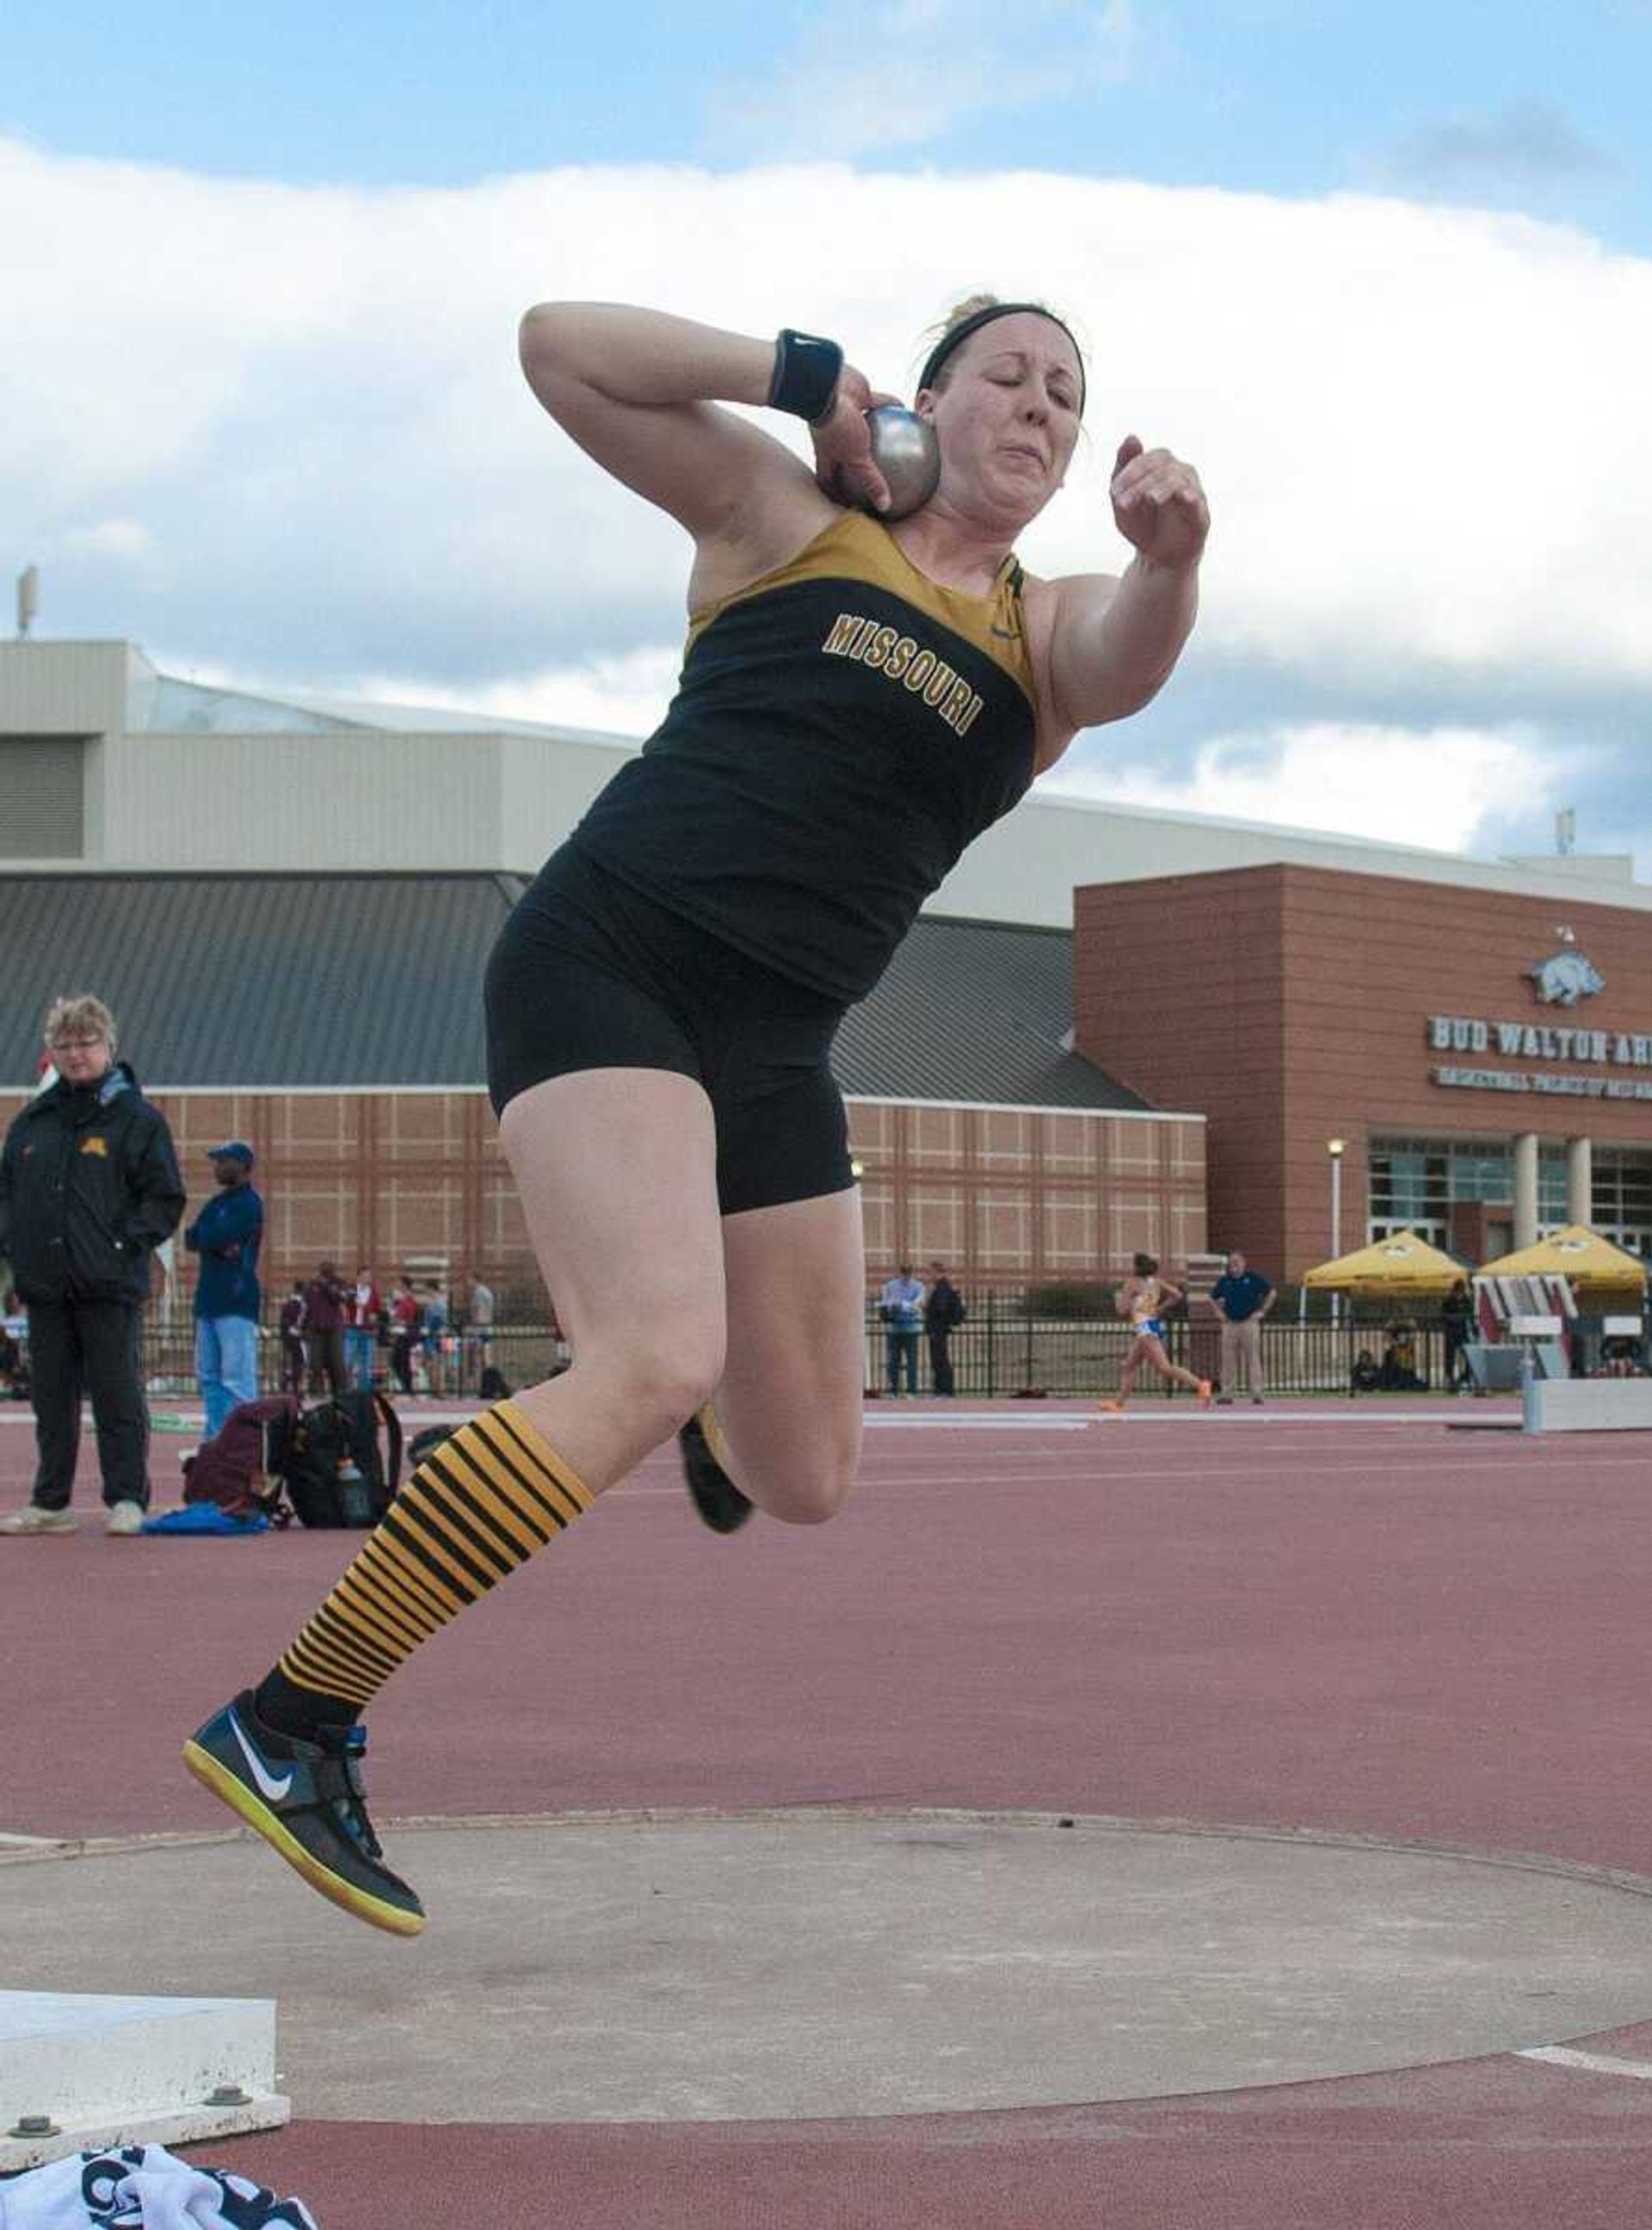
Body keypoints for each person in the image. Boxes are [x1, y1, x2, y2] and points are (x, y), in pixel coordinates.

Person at [183, 292, 1208, 1935]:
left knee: (801, 1473)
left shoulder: (1046, 631)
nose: (1038, 408)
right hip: (615, 967)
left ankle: (697, 1408)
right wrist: (798, 376)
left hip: (778, 1048)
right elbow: (552, 346)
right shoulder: (785, 516)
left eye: (1069, 399)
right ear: (925, 400)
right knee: (652, 1360)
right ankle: (291, 1716)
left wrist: (1172, 558)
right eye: (1005, 376)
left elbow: (1129, 657)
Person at [0, 995, 184, 1537]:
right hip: (46, 1286)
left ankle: (127, 1497)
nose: (76, 1054)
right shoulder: (33, 1121)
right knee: (50, 1399)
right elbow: (6, 1190)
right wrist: (15, 1249)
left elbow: (164, 1197)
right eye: (65, 1044)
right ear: (51, 1051)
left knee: (116, 1392)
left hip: (108, 1284)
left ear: (109, 1046)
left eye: (86, 1043)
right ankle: (50, 1501)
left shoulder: (137, 1119)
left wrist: (125, 1247)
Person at [184, 1142, 265, 1440]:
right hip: (208, 1300)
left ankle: (244, 1442)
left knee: (237, 1379)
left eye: (224, 1161)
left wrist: (214, 1239)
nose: (217, 1168)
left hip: (236, 1299)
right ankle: (216, 1440)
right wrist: (214, 1242)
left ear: (243, 1166)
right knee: (209, 1378)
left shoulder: (249, 1203)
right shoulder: (216, 1204)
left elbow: (217, 1235)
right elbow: (193, 1238)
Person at [1099, 1253, 1211, 1413]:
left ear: (1136, 1267)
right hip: (1151, 1324)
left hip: (1144, 1327)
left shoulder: (1131, 1284)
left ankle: (1201, 1385)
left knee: (1164, 1368)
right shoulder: (1156, 1282)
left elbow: (1122, 1310)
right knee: (1129, 1366)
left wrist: (1118, 1299)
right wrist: (1160, 1309)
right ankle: (1118, 1404)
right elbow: (1178, 1295)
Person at [1207, 1248, 1273, 1406]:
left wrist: (1262, 1311)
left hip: (1249, 1323)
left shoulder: (1253, 1278)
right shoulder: (1224, 1281)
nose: (1233, 1266)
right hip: (1230, 1324)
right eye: (1231, 1263)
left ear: (1243, 1263)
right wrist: (1218, 1312)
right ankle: (1226, 1394)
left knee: (1253, 1358)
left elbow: (1271, 1293)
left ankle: (1257, 1394)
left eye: (1236, 1262)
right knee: (1228, 1360)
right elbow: (1212, 1297)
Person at [300, 1261, 348, 1398]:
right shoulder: (311, 1286)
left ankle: (340, 1391)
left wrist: (326, 1285)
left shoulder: (339, 1283)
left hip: (334, 1328)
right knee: (315, 1362)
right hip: (316, 1329)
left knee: (337, 1362)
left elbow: (340, 1298)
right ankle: (317, 1392)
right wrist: (303, 1327)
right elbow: (307, 1308)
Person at [880, 1262, 925, 1396]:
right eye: (904, 1272)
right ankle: (892, 1391)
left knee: (912, 1362)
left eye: (908, 1273)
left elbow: (918, 1306)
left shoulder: (918, 1286)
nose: (906, 1276)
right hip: (895, 1328)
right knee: (892, 1361)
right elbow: (886, 1303)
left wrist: (902, 1305)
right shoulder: (891, 1286)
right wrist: (896, 1307)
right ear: (900, 1272)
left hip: (912, 1328)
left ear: (912, 1273)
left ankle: (911, 1391)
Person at [923, 1260, 966, 1396]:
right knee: (939, 1359)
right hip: (938, 1328)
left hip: (938, 1328)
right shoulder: (942, 1286)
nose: (929, 1275)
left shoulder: (942, 1287)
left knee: (940, 1360)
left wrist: (928, 1307)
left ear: (937, 1272)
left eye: (930, 1272)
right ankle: (941, 1389)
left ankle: (944, 1390)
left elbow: (941, 1308)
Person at [343, 1269, 381, 1391]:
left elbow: (377, 1310)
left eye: (369, 1276)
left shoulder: (374, 1293)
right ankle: (347, 1387)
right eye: (365, 1276)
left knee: (366, 1360)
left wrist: (374, 1316)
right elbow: (345, 1303)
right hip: (352, 1328)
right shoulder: (351, 1289)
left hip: (367, 1329)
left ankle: (363, 1389)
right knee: (347, 1359)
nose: (368, 1278)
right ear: (358, 1277)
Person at [388, 1276, 422, 1396]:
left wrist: (395, 1315)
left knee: (399, 1363)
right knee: (401, 1363)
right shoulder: (406, 1300)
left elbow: (401, 1317)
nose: (396, 1286)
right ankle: (407, 1388)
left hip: (405, 1335)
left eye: (399, 1284)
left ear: (404, 1286)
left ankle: (407, 1388)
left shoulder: (407, 1301)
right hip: (405, 1335)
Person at [1441, 1278, 1474, 1393]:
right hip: (1451, 1332)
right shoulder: (1448, 1300)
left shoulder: (1467, 1300)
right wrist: (1455, 1318)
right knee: (1449, 1358)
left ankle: (1466, 1378)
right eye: (1457, 1291)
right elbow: (1443, 1315)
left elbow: (1470, 1314)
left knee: (1468, 1357)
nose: (1459, 1293)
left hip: (1463, 1332)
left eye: (1461, 1291)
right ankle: (1449, 1380)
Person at [466, 1273, 496, 1394]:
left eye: (469, 1280)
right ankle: (487, 1385)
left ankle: (482, 1386)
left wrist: (475, 1329)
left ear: (474, 1279)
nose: (468, 1283)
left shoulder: (479, 1293)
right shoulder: (487, 1292)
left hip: (481, 1330)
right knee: (485, 1358)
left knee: (479, 1359)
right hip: (487, 1328)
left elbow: (480, 1312)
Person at [278, 1282, 307, 1398]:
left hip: (288, 1336)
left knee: (297, 1361)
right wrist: (297, 1331)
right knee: (300, 1361)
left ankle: (290, 1381)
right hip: (296, 1337)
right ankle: (293, 1385)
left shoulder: (288, 1303)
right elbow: (295, 1321)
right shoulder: (300, 1304)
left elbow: (284, 1321)